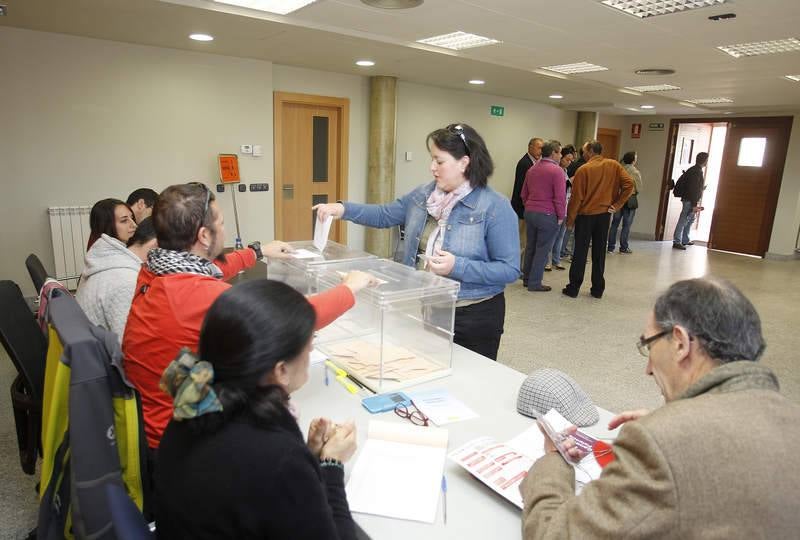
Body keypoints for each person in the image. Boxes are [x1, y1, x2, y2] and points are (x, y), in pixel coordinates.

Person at [520, 277, 800, 539]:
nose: (648, 369)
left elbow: (554, 534)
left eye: (648, 345)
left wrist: (554, 460)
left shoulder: (663, 442)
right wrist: (674, 421)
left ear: (680, 343)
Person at [123, 182, 376, 451]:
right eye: (220, 222)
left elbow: (208, 269)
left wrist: (256, 252)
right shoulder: (200, 297)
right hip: (183, 443)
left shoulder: (154, 270)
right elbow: (297, 317)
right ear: (204, 236)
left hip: (156, 417)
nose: (224, 228)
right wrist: (349, 288)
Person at [157, 280, 359, 539]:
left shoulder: (193, 404)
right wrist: (332, 464)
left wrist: (308, 458)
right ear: (281, 371)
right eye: (309, 347)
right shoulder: (277, 459)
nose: (310, 352)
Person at [313, 123, 519, 360]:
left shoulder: (494, 206)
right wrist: (342, 209)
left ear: (464, 162)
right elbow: (385, 214)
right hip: (431, 306)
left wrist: (458, 266)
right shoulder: (424, 195)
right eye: (432, 160)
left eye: (439, 161)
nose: (432, 168)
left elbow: (509, 269)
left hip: (474, 314)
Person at [562, 141, 633, 299]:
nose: (583, 153)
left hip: (585, 216)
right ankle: (597, 289)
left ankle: (573, 288)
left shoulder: (584, 169)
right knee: (599, 253)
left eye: (584, 150)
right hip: (604, 215)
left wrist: (570, 220)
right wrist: (617, 204)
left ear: (590, 151)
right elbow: (629, 184)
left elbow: (576, 198)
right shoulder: (614, 165)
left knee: (580, 252)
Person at [76, 217, 157, 343]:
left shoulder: (113, 261)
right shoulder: (127, 281)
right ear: (155, 246)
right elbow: (127, 345)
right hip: (104, 358)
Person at [520, 140, 565, 292]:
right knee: (543, 249)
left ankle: (526, 279)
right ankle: (534, 283)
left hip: (530, 212)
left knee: (531, 246)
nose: (561, 156)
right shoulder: (557, 171)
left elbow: (523, 194)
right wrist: (561, 216)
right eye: (559, 152)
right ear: (553, 153)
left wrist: (530, 206)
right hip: (547, 214)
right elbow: (560, 197)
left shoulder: (532, 169)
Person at [511, 138, 544, 263]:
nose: (540, 151)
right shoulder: (525, 163)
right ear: (530, 147)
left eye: (542, 148)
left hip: (528, 208)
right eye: (538, 147)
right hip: (521, 207)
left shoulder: (535, 163)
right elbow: (522, 189)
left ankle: (522, 266)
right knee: (522, 240)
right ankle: (517, 267)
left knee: (526, 240)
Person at [608, 151, 642, 254]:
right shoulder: (635, 172)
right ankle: (623, 247)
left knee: (614, 224)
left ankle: (610, 247)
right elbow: (639, 187)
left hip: (618, 199)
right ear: (633, 160)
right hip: (630, 200)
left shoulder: (619, 169)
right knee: (626, 225)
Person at [547, 145, 575, 271]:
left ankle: (556, 259)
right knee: (552, 236)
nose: (569, 162)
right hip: (556, 208)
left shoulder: (565, 171)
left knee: (561, 236)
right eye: (567, 159)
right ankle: (547, 261)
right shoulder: (555, 170)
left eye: (571, 160)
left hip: (566, 206)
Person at [672, 152, 708, 250]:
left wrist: (701, 189)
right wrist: (694, 204)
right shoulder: (696, 171)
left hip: (690, 198)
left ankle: (685, 239)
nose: (707, 162)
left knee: (690, 219)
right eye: (707, 160)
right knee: (684, 219)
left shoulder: (694, 170)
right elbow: (692, 188)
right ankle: (677, 241)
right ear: (704, 160)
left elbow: (694, 187)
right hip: (690, 200)